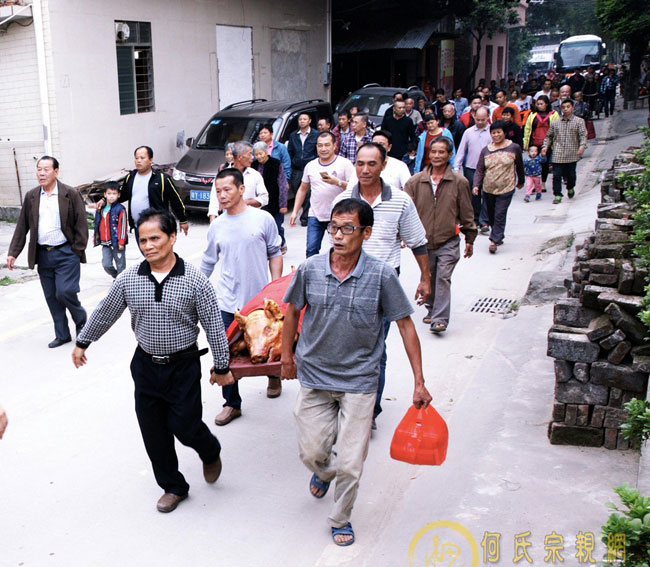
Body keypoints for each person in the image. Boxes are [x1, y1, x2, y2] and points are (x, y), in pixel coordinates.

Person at [281, 197, 432, 547]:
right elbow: (292, 312)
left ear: (366, 233)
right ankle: (323, 471)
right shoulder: (311, 269)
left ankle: (341, 518)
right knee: (311, 453)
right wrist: (287, 357)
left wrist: (419, 382)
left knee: (351, 463)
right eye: (333, 227)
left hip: (360, 381)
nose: (337, 235)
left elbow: (406, 326)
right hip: (316, 376)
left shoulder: (381, 275)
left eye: (347, 229)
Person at [72, 208, 232, 513]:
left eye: (155, 238)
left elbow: (213, 325)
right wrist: (83, 341)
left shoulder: (195, 281)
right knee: (153, 431)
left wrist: (222, 366)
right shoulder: (129, 279)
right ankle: (173, 486)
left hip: (183, 366)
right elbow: (106, 312)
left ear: (172, 237)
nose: (148, 246)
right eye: (143, 240)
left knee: (185, 426)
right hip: (145, 366)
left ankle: (210, 451)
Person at [332, 143, 430, 427]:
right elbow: (334, 244)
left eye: (371, 164)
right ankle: (345, 401)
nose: (364, 170)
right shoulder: (343, 200)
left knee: (376, 348)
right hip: (346, 283)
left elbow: (417, 241)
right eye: (360, 163)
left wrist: (425, 278)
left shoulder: (400, 201)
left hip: (383, 285)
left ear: (384, 165)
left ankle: (369, 411)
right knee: (345, 345)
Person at [201, 168, 283, 425]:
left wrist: (275, 288)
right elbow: (208, 262)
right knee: (224, 352)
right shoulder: (217, 226)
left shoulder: (262, 219)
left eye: (227, 189)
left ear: (242, 189)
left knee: (267, 341)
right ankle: (231, 403)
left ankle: (274, 376)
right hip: (227, 302)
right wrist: (194, 289)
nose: (222, 195)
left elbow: (275, 252)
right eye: (218, 191)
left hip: (259, 302)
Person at [7, 156, 88, 348]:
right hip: (43, 254)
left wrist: (77, 250)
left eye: (46, 169)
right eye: (39, 169)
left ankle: (81, 320)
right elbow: (22, 226)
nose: (41, 173)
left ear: (56, 172)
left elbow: (81, 223)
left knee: (65, 291)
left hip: (66, 252)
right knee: (52, 296)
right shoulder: (32, 196)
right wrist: (13, 252)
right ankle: (62, 334)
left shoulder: (70, 193)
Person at [405, 137, 476, 333]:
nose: (436, 156)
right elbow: (406, 212)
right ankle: (432, 308)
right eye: (433, 151)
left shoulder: (459, 182)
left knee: (443, 277)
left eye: (441, 152)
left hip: (448, 240)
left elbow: (466, 211)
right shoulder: (415, 182)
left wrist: (470, 238)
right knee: (429, 275)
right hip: (423, 242)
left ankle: (440, 318)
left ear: (450, 155)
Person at [291, 132, 354, 257]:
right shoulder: (311, 165)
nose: (323, 149)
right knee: (311, 250)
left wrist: (338, 182)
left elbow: (355, 187)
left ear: (334, 146)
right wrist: (295, 211)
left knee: (339, 251)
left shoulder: (345, 164)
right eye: (320, 145)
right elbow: (303, 189)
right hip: (315, 214)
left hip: (339, 215)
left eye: (327, 145)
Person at [106, 146, 188, 240]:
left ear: (150, 160)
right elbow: (121, 195)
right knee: (144, 249)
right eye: (136, 158)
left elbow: (175, 199)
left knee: (158, 249)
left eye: (142, 158)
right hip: (138, 227)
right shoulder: (130, 178)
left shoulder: (161, 178)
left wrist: (183, 220)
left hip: (157, 227)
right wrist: (105, 200)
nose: (138, 161)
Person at [473, 121, 525, 254]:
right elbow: (479, 169)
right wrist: (476, 185)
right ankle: (498, 235)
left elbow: (519, 165)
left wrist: (521, 181)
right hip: (488, 188)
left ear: (504, 133)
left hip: (506, 187)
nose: (496, 135)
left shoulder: (514, 148)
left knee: (500, 214)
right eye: (493, 133)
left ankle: (494, 241)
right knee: (491, 215)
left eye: (498, 132)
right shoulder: (486, 150)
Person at [208, 141, 269, 222]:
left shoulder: (255, 175)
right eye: (249, 154)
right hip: (229, 221)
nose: (252, 158)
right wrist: (212, 220)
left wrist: (246, 202)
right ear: (240, 157)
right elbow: (214, 199)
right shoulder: (223, 175)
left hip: (251, 221)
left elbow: (264, 198)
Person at [542, 99, 588, 204]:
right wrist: (545, 147)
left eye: (568, 107)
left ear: (572, 108)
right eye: (563, 107)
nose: (565, 109)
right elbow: (549, 136)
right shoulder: (556, 123)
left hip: (572, 152)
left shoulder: (579, 121)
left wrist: (582, 147)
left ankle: (570, 187)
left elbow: (583, 135)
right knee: (556, 175)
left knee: (571, 175)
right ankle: (557, 194)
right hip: (558, 153)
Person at [455, 107, 492, 232]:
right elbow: (461, 150)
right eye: (478, 119)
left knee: (487, 194)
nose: (480, 122)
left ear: (488, 118)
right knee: (474, 195)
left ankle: (484, 221)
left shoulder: (493, 132)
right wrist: (457, 167)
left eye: (483, 120)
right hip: (471, 168)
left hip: (488, 168)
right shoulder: (468, 132)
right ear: (474, 117)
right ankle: (475, 219)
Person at [252, 141, 289, 254]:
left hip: (274, 200)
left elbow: (282, 184)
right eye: (256, 154)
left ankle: (282, 242)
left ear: (266, 152)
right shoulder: (253, 165)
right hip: (260, 202)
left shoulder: (276, 164)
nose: (259, 157)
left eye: (261, 153)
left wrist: (283, 204)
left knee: (276, 225)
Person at [346, 129, 412, 191]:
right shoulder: (362, 165)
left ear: (389, 147)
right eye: (375, 144)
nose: (377, 147)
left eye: (381, 144)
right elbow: (350, 189)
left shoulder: (400, 166)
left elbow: (409, 189)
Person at [288, 113, 319, 226]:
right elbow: (290, 151)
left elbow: (317, 151)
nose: (302, 121)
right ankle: (304, 212)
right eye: (300, 119)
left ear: (309, 121)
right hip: (297, 168)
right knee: (298, 190)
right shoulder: (293, 135)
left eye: (304, 119)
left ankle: (305, 217)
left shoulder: (316, 134)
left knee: (309, 192)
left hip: (310, 167)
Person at [523, 95, 559, 191]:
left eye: (541, 104)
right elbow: (527, 129)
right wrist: (525, 142)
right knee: (533, 163)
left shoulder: (554, 114)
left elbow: (557, 129)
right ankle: (534, 184)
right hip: (534, 142)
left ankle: (543, 183)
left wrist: (555, 142)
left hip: (547, 144)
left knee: (545, 164)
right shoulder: (532, 115)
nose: (539, 106)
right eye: (538, 104)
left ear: (546, 104)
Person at [93, 182, 128, 278]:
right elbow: (97, 223)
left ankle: (120, 281)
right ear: (104, 195)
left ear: (118, 195)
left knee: (120, 265)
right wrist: (97, 237)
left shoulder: (120, 209)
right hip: (105, 243)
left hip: (117, 242)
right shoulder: (101, 208)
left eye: (114, 194)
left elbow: (123, 226)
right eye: (109, 193)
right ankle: (117, 277)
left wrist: (121, 241)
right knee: (106, 265)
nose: (111, 196)